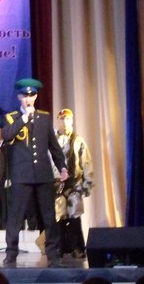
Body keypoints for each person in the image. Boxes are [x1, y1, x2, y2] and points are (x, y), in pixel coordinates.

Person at [1, 78, 68, 267]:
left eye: (31, 96)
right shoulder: (12, 117)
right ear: (19, 97)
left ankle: (53, 253)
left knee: (49, 215)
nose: (28, 99)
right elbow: (7, 136)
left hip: (42, 174)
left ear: (36, 97)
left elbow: (53, 146)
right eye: (25, 96)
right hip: (21, 175)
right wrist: (24, 119)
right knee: (16, 216)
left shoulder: (44, 118)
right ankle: (11, 253)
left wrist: (62, 167)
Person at [55, 108, 93, 259]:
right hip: (57, 185)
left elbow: (86, 162)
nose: (64, 122)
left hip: (74, 184)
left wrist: (87, 183)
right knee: (59, 217)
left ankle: (78, 247)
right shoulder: (53, 141)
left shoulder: (78, 141)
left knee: (74, 215)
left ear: (71, 121)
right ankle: (60, 247)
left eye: (67, 119)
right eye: (61, 119)